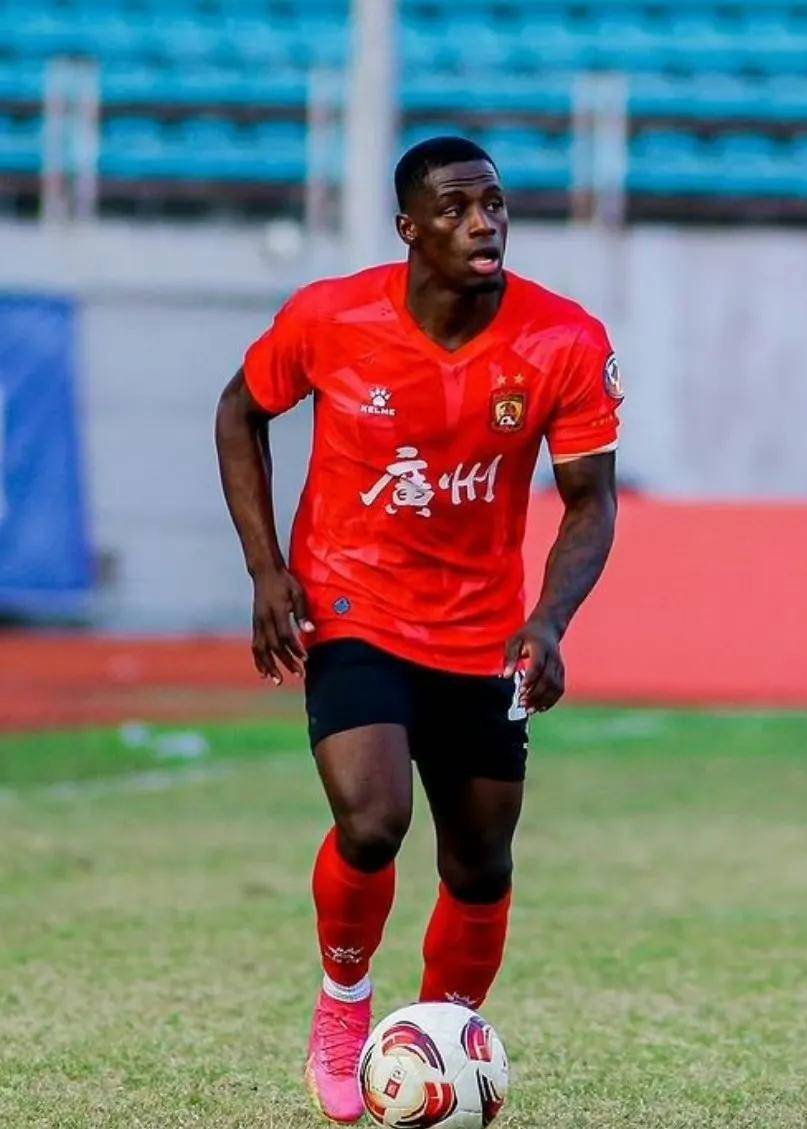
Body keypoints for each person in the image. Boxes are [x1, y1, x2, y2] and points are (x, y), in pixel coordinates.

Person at [215, 136, 622, 1124]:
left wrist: (549, 621)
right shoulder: (331, 318)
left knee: (480, 863)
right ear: (410, 228)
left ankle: (438, 1038)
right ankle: (344, 1003)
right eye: (456, 208)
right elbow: (239, 412)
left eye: (494, 204)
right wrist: (267, 571)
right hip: (352, 603)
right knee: (373, 818)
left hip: (483, 629)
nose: (484, 222)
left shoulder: (563, 341)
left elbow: (591, 500)